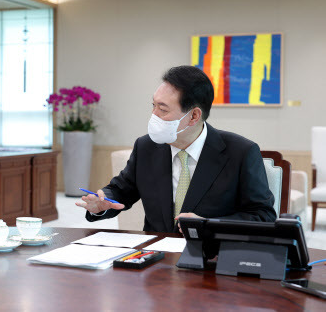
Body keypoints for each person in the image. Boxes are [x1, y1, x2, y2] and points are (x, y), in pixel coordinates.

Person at [77, 65, 276, 233]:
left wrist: (210, 226)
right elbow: (120, 191)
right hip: (156, 257)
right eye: (153, 106)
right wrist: (102, 204)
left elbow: (262, 215)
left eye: (162, 110)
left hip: (213, 257)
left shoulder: (241, 152)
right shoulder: (146, 147)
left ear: (194, 116)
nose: (153, 115)